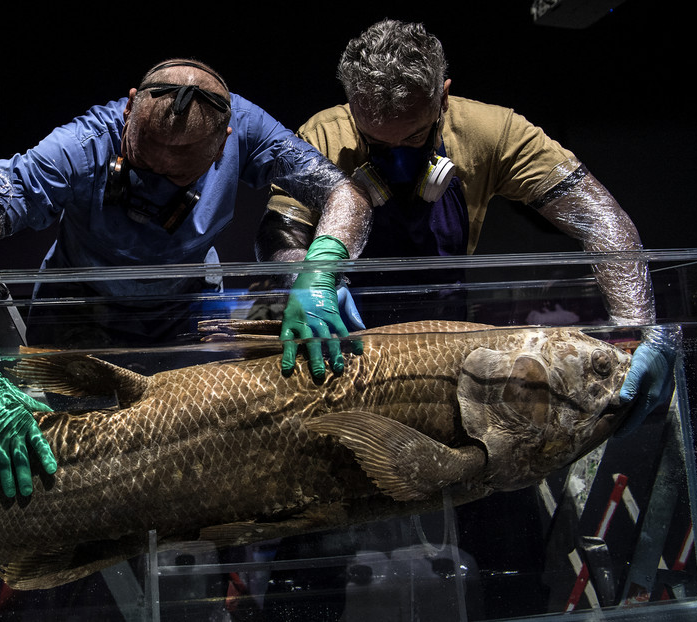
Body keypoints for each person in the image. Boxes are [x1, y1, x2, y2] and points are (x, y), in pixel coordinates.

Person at [0, 58, 368, 498]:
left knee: (185, 461)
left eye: (177, 174)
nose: (156, 179)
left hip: (184, 308)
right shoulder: (81, 146)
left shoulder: (247, 127)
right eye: (142, 158)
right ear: (130, 108)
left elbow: (345, 196)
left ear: (222, 145)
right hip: (78, 310)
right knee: (65, 469)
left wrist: (320, 274)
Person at [262, 19, 675, 431]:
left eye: (413, 138)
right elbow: (280, 233)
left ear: (442, 97)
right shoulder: (323, 136)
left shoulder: (492, 132)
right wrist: (309, 280)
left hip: (444, 340)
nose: (398, 160)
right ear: (353, 106)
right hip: (337, 338)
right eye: (379, 144)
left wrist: (637, 331)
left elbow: (600, 220)